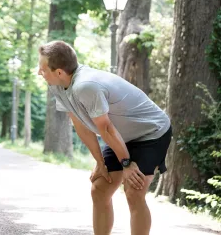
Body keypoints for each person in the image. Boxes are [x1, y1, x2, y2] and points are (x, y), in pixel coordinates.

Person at [37, 40, 172, 235]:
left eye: (43, 69)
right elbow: (81, 124)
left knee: (134, 191)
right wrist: (100, 162)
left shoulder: (85, 86)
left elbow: (106, 128)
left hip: (151, 132)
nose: (39, 73)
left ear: (59, 72)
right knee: (99, 189)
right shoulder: (57, 85)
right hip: (121, 135)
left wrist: (126, 164)